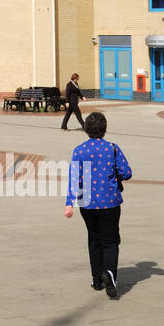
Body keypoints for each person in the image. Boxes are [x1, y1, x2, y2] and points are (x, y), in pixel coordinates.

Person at [65, 112, 132, 298]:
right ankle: (109, 273)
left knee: (94, 240)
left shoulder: (79, 150)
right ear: (104, 129)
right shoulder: (112, 148)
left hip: (87, 203)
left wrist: (69, 203)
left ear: (86, 129)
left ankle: (96, 280)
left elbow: (74, 178)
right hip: (110, 202)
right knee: (110, 240)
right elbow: (126, 172)